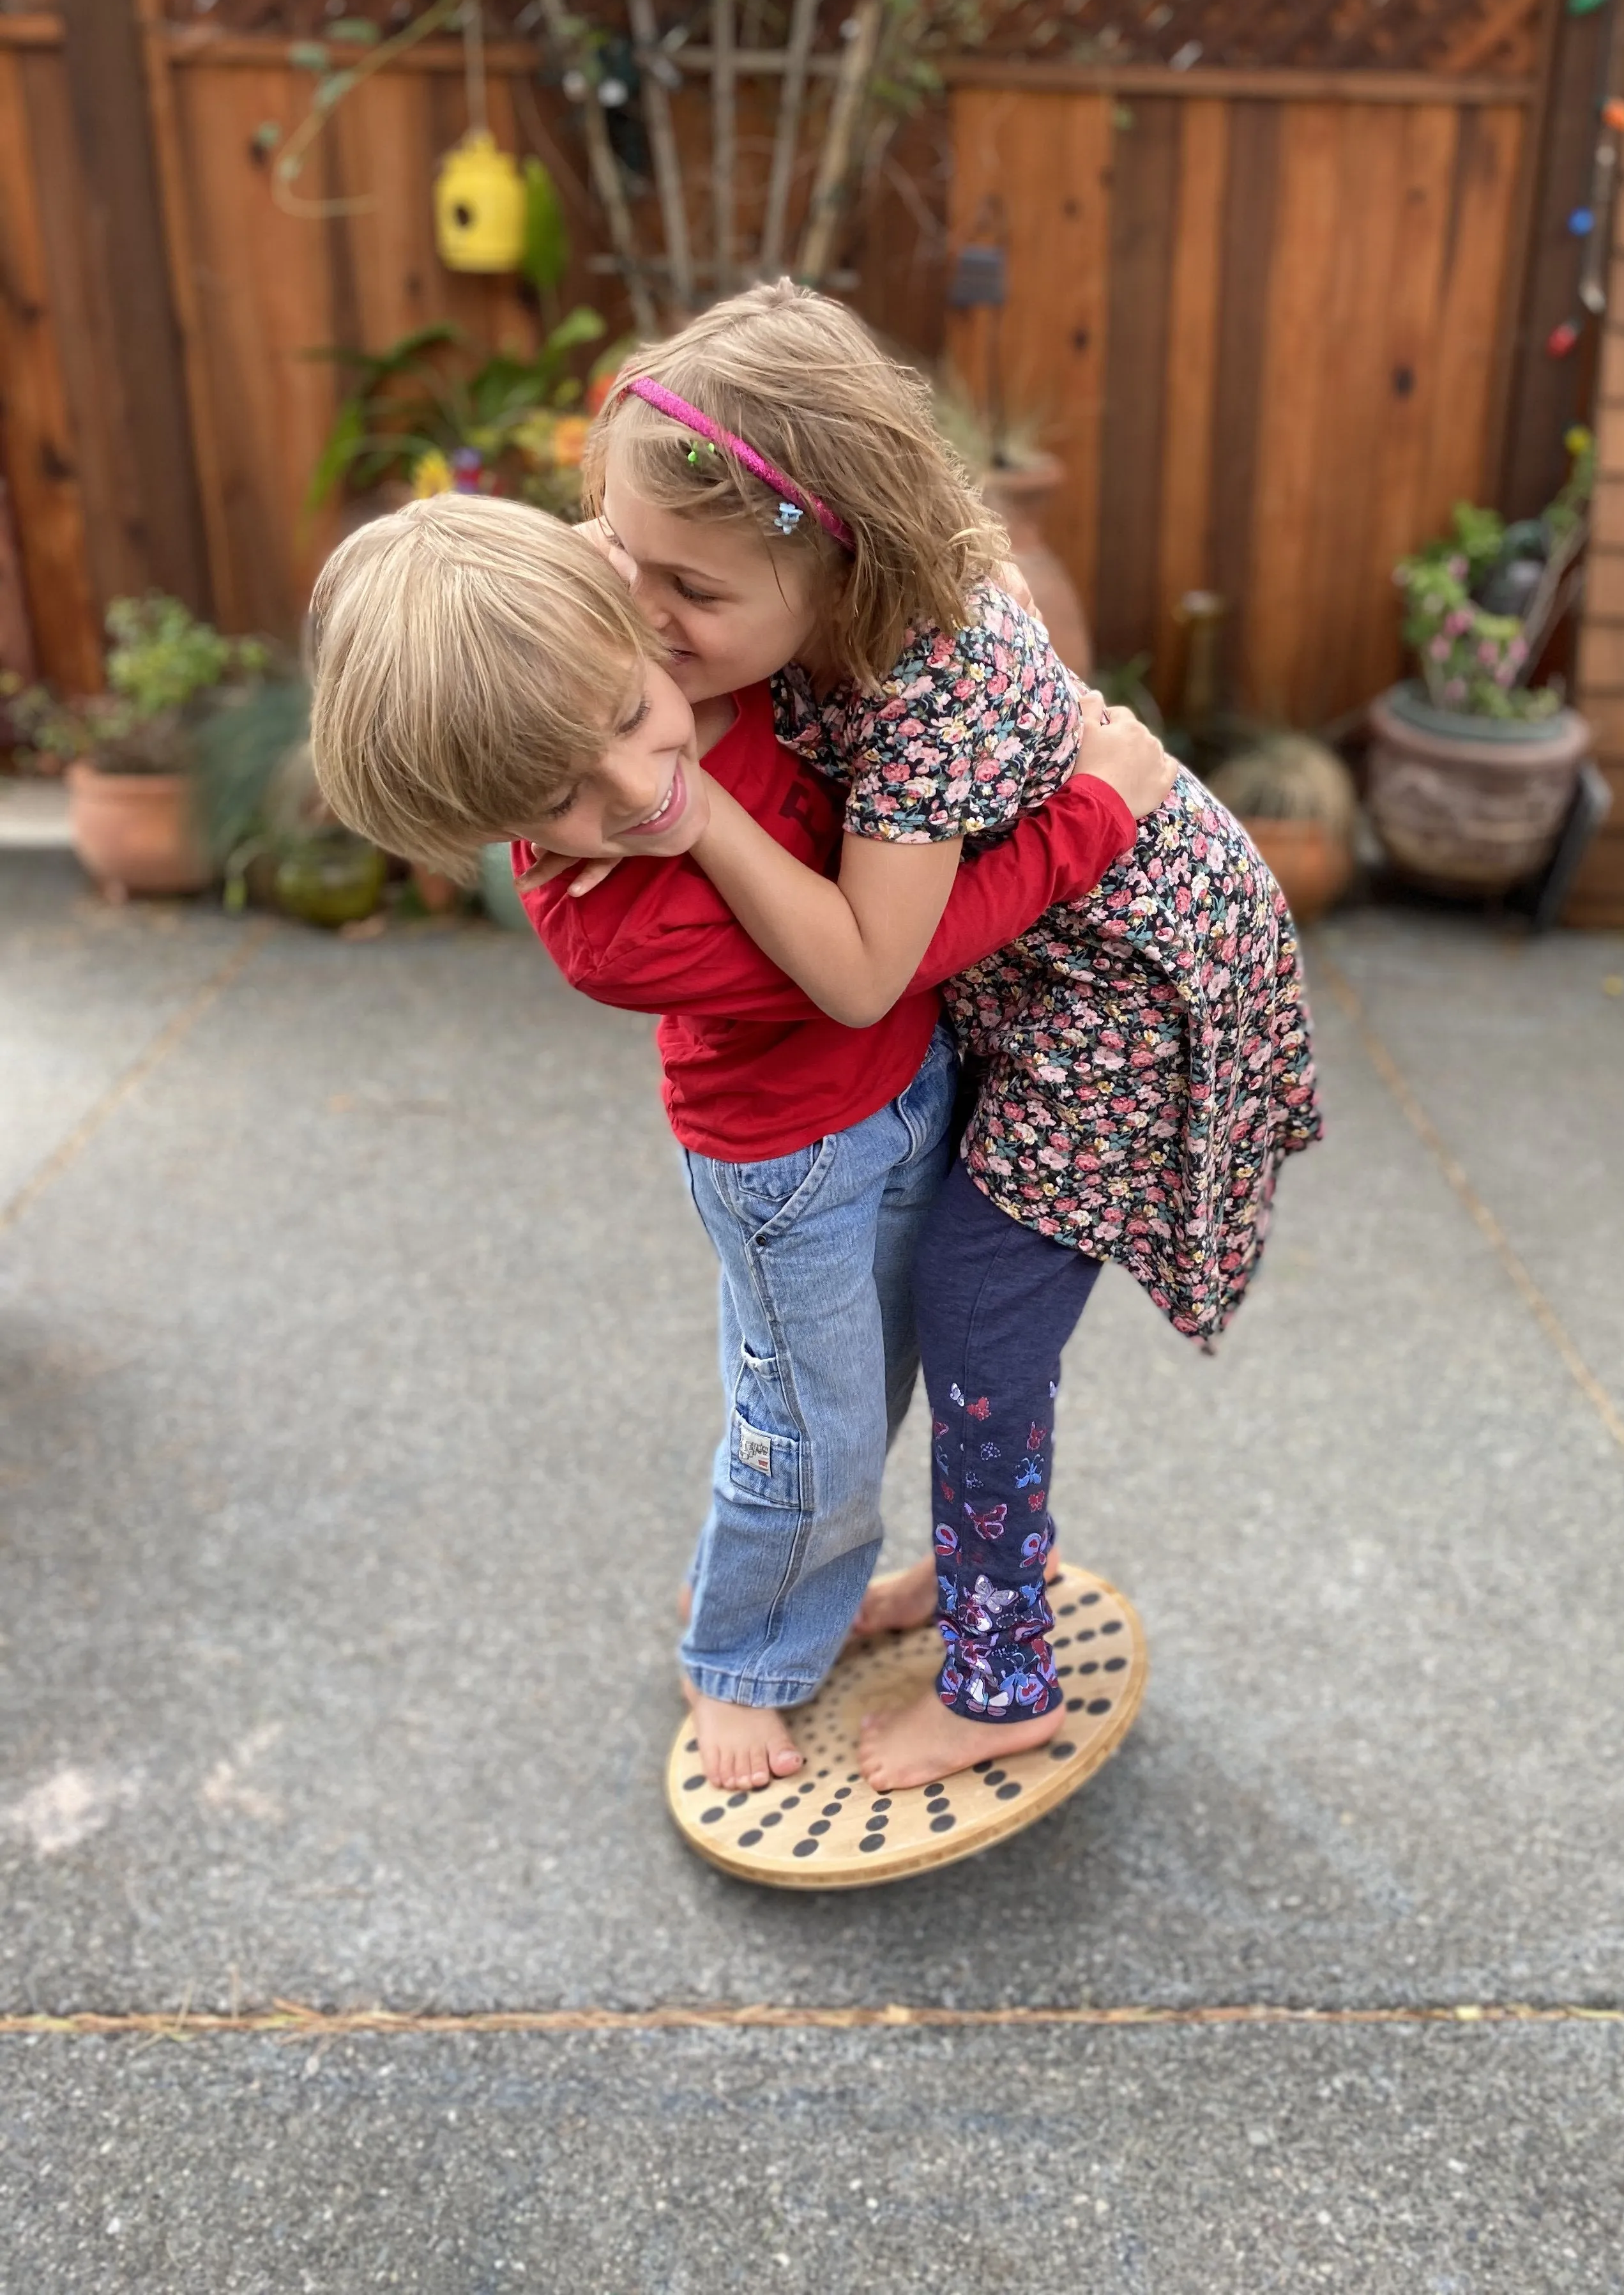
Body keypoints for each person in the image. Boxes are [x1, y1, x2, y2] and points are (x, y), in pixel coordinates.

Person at [560, 280, 1322, 1794]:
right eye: (626, 561)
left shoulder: (926, 691)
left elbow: (860, 970)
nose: (648, 618)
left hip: (1121, 998)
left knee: (978, 1317)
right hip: (1038, 973)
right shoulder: (794, 595)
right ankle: (966, 1585)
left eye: (692, 594)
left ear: (834, 559)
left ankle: (1001, 1680)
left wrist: (702, 816)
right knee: (946, 1308)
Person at [306, 493, 1176, 1794]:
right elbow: (882, 961)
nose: (640, 792)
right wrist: (1096, 814)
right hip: (797, 1172)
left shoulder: (699, 653)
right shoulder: (614, 931)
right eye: (564, 804)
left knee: (906, 1385)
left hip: (913, 1093)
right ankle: (738, 1657)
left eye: (621, 721)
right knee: (808, 1436)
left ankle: (856, 1573)